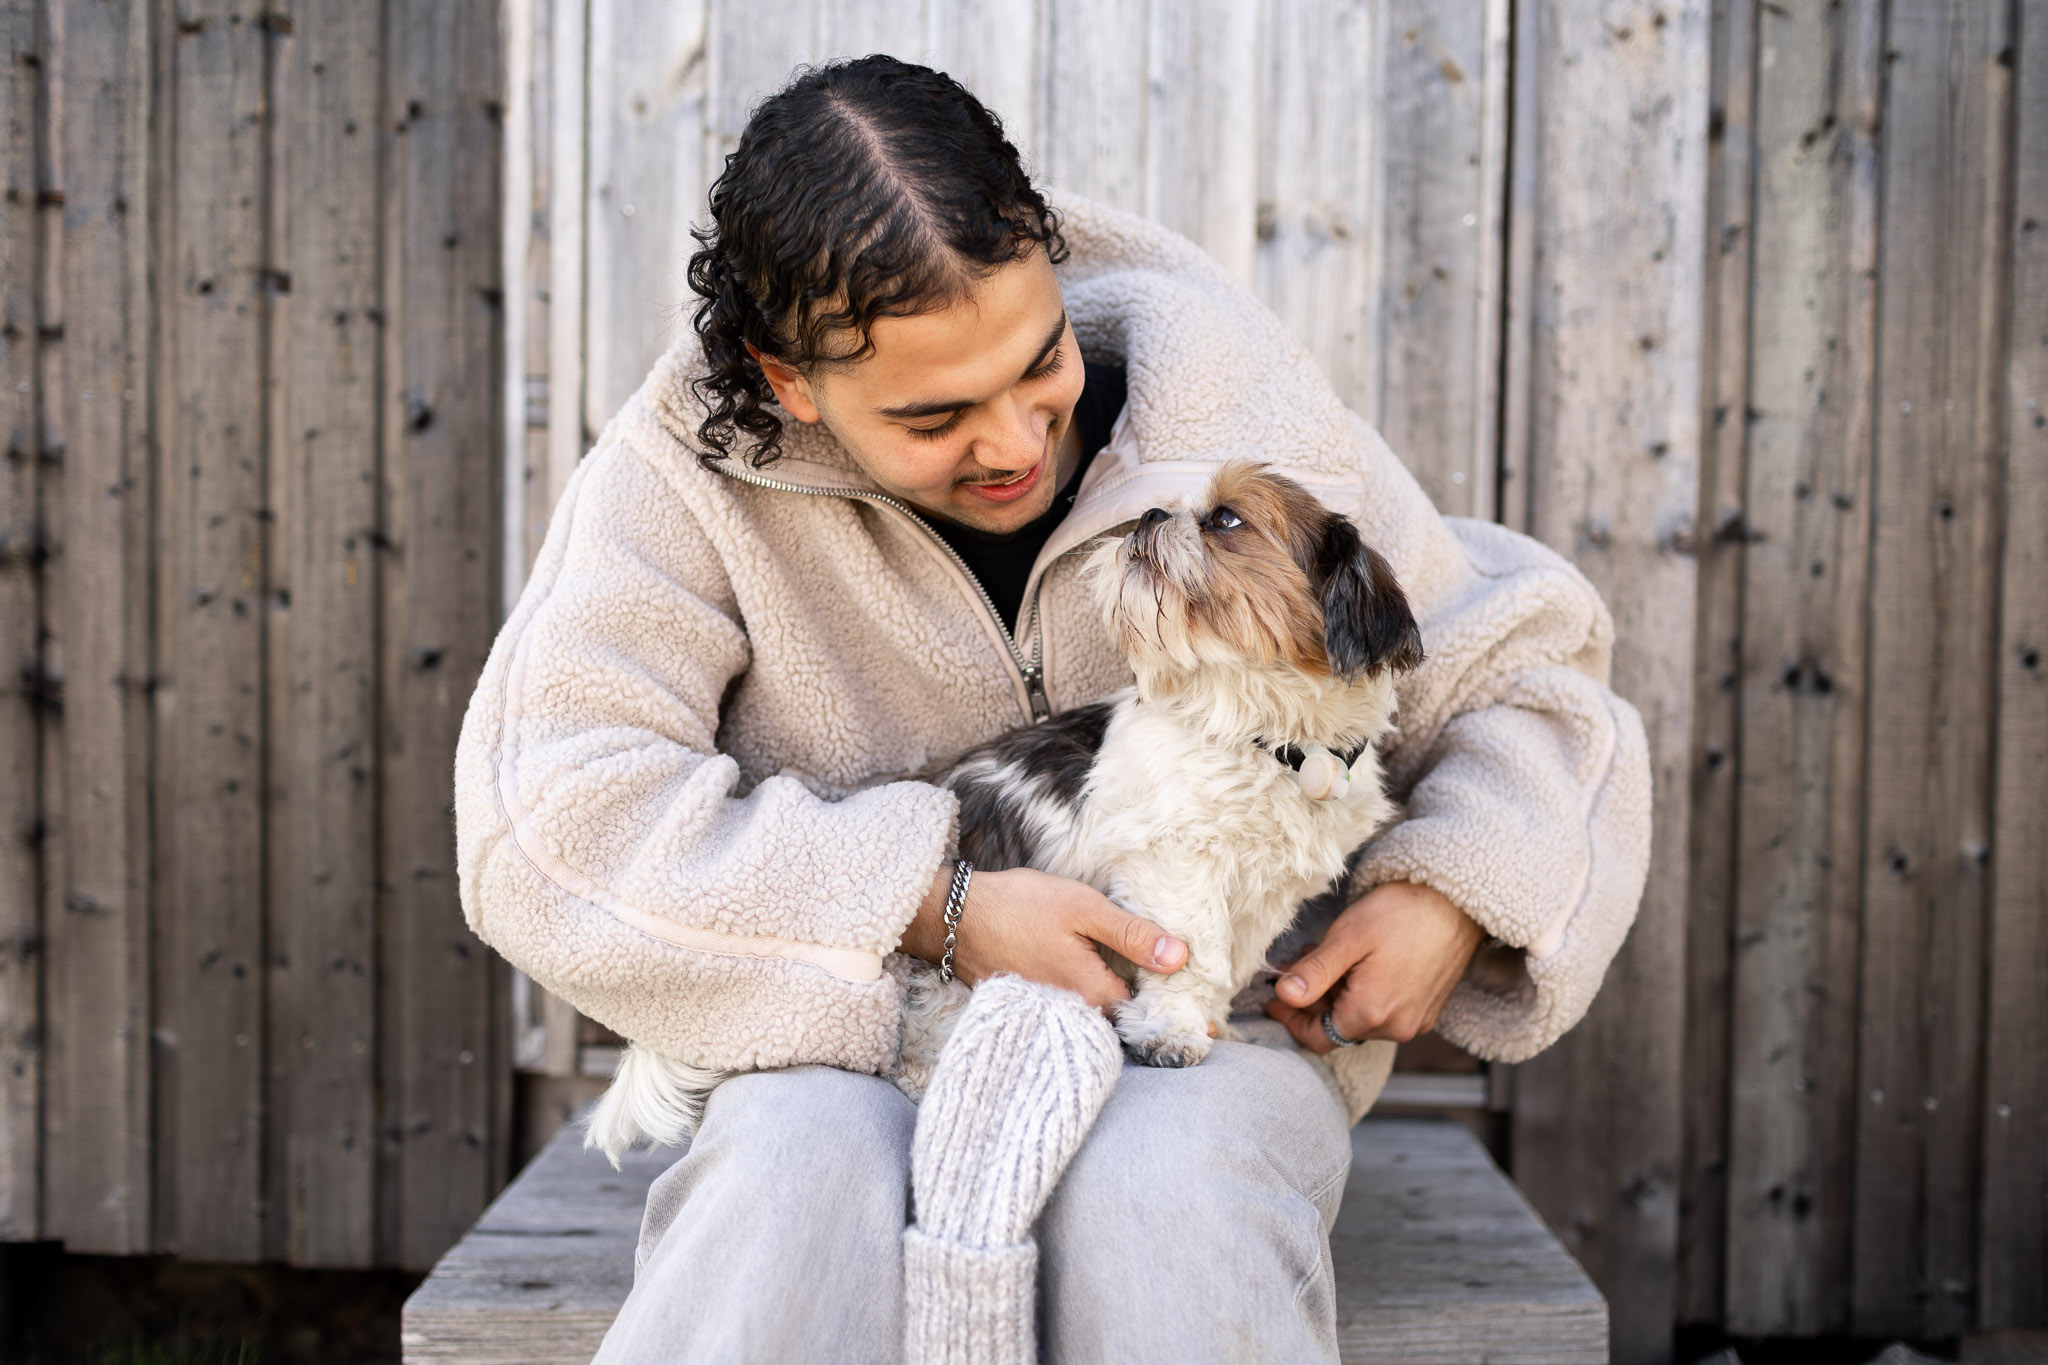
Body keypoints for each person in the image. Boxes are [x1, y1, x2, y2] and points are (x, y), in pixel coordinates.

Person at [454, 55, 1651, 1364]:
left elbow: (1522, 670)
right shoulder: (680, 486)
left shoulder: (1238, 407)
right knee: (787, 1182)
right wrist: (933, 905)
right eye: (935, 415)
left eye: (1041, 363)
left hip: (1212, 1038)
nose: (1020, 440)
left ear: (1053, 266)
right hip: (845, 1044)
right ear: (786, 381)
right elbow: (546, 822)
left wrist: (1451, 889)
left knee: (1160, 1196)